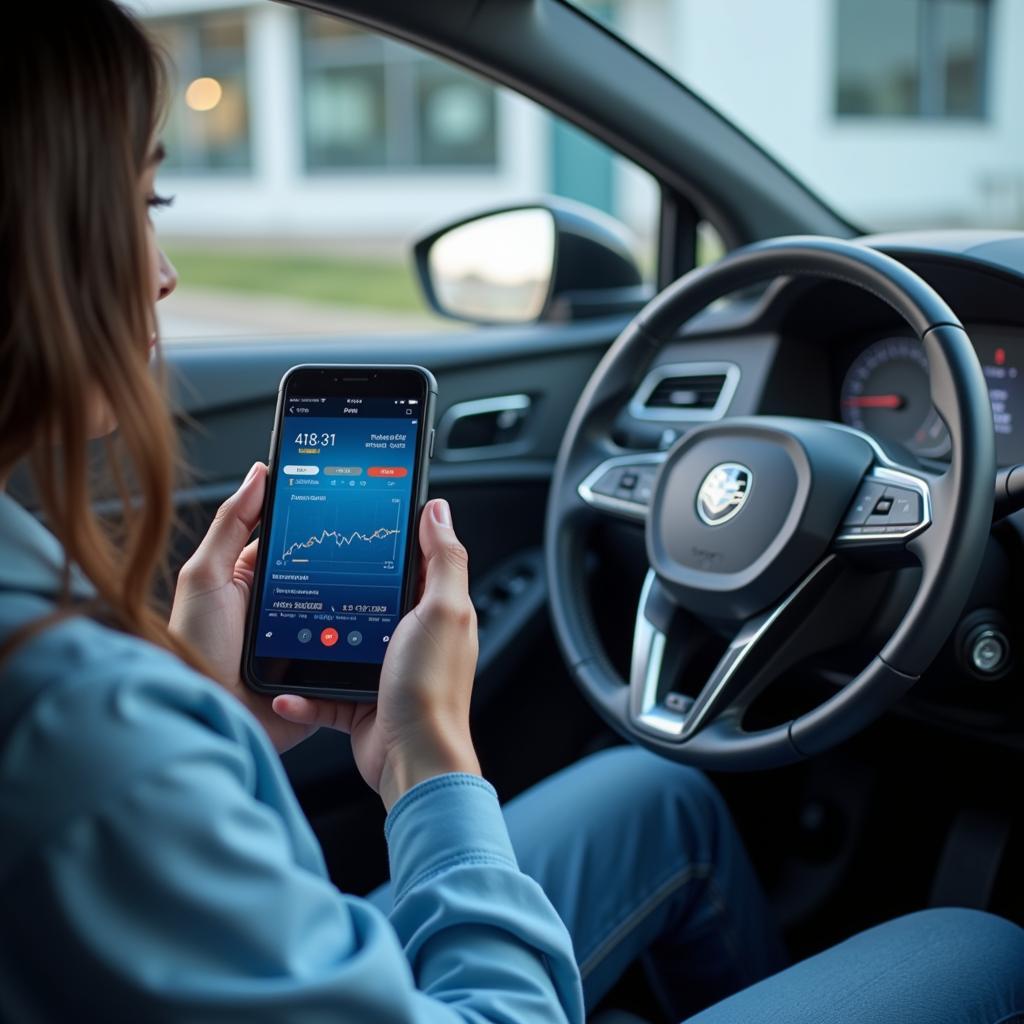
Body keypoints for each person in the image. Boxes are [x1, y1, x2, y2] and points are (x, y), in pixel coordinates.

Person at [0, 2, 1021, 1022]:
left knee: (656, 796)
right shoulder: (75, 715)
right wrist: (428, 760)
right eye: (144, 200)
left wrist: (217, 714)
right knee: (979, 949)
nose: (164, 272)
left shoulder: (47, 621)